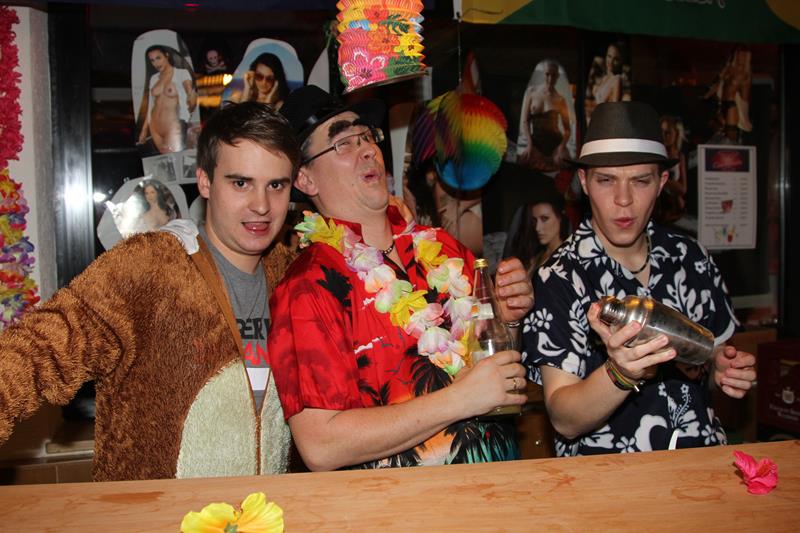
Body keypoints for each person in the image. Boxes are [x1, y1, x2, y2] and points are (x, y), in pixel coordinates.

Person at [0, 102, 301, 481]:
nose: (261, 205)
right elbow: (40, 349)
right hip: (154, 509)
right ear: (205, 181)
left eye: (276, 185)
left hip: (265, 509)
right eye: (241, 183)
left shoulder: (292, 275)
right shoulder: (150, 265)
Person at [269, 85, 534, 471]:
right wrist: (460, 400)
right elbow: (321, 445)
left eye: (366, 136)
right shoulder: (308, 287)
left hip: (502, 484)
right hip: (401, 503)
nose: (367, 149)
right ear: (305, 179)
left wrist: (507, 320)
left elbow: (495, 372)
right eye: (343, 143)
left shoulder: (444, 248)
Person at [522, 101, 756, 457]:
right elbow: (564, 417)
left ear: (662, 182)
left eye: (641, 180)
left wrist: (722, 368)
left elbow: (707, 364)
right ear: (584, 182)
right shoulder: (559, 276)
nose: (623, 200)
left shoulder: (691, 257)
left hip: (701, 465)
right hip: (612, 481)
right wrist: (620, 372)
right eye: (606, 180)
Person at [136, 45, 198, 154]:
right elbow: (150, 106)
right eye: (152, 60)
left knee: (175, 159)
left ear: (167, 56)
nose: (156, 63)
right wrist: (144, 130)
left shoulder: (181, 73)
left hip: (173, 125)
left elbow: (189, 91)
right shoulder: (153, 78)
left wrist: (191, 96)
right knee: (165, 161)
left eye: (158, 58)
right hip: (154, 128)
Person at [504, 189, 570, 278]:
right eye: (534, 221)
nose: (537, 228)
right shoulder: (536, 257)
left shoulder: (568, 256)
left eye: (545, 219)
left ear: (560, 218)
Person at [519, 60, 572, 171]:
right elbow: (525, 121)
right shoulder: (531, 92)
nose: (550, 79)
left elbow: (567, 130)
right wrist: (529, 144)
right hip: (536, 141)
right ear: (543, 74)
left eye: (553, 75)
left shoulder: (560, 99)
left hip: (556, 142)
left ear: (557, 77)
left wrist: (561, 146)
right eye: (547, 74)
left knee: (563, 162)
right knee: (523, 161)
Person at [705, 47, 753, 143]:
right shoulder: (728, 69)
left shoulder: (745, 75)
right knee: (719, 136)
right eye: (739, 54)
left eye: (744, 55)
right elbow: (717, 85)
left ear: (747, 57)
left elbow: (745, 98)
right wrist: (707, 95)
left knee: (731, 139)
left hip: (732, 105)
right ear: (735, 55)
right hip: (721, 105)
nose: (741, 57)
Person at [655, 115, 688, 225]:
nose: (664, 136)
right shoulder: (656, 156)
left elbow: (683, 188)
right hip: (659, 212)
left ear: (676, 134)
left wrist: (662, 179)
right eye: (662, 132)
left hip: (677, 211)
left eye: (668, 132)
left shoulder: (680, 156)